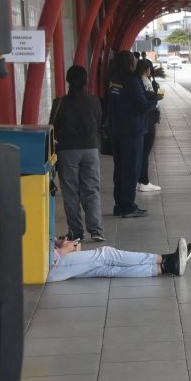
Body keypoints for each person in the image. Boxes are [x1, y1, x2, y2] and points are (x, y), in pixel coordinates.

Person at [49, 65, 106, 242]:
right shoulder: (94, 101)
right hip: (90, 149)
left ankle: (76, 231)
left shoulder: (60, 103)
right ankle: (96, 230)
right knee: (91, 190)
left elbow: (53, 127)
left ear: (67, 81)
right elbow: (99, 123)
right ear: (85, 81)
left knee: (71, 192)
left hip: (67, 152)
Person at [108, 50, 151, 218]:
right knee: (131, 170)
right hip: (132, 132)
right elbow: (143, 106)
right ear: (129, 63)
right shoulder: (132, 82)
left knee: (119, 170)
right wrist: (154, 99)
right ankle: (128, 206)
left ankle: (119, 205)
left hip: (116, 131)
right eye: (133, 60)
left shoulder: (113, 81)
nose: (135, 63)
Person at [47, 236, 191, 282]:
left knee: (106, 269)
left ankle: (165, 267)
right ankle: (165, 259)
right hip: (51, 266)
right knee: (106, 254)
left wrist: (56, 243)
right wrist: (61, 251)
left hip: (50, 261)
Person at [136, 59, 161, 192]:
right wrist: (156, 96)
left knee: (141, 153)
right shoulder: (145, 81)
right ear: (147, 69)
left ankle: (138, 180)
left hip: (143, 120)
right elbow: (152, 102)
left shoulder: (136, 81)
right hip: (149, 120)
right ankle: (144, 182)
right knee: (145, 152)